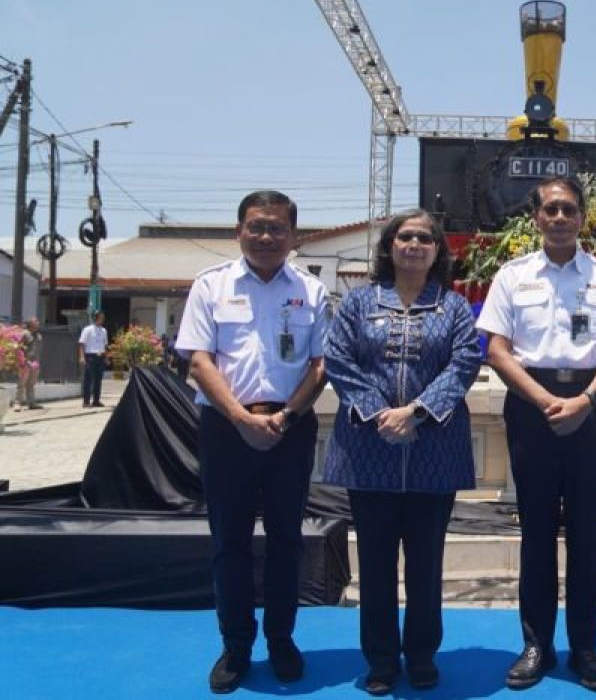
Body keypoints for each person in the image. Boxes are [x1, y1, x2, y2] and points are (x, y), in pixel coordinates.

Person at [476, 176, 596, 692]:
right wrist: (544, 399)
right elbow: (497, 349)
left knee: (587, 533)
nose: (561, 217)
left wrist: (587, 400)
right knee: (537, 533)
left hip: (590, 404)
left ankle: (586, 649)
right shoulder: (512, 275)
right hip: (533, 406)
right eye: (551, 209)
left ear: (583, 216)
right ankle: (536, 645)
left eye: (570, 208)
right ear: (536, 217)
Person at [174, 190, 329, 694]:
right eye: (256, 227)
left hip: (291, 427)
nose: (266, 237)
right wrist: (240, 416)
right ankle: (236, 645)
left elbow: (320, 365)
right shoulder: (210, 286)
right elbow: (199, 361)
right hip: (225, 429)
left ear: (293, 236)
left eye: (277, 228)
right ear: (238, 230)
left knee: (287, 540)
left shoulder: (311, 291)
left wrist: (284, 416)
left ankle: (281, 640)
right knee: (230, 542)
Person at [323, 210, 481, 696]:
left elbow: (465, 362)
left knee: (426, 563)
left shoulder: (453, 307)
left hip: (435, 451)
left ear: (438, 250)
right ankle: (381, 659)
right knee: (373, 563)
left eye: (424, 238)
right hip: (369, 451)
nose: (414, 244)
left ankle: (421, 655)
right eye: (404, 236)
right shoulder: (358, 304)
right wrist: (378, 413)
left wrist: (416, 411)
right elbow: (337, 359)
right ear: (389, 246)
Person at [78, 310, 108, 407]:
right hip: (90, 356)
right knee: (88, 379)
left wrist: (106, 357)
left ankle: (96, 400)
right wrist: (82, 356)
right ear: (95, 318)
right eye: (100, 317)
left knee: (98, 379)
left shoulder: (104, 330)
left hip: (101, 356)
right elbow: (82, 343)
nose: (102, 319)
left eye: (103, 317)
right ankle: (86, 401)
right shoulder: (88, 329)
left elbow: (105, 345)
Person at [16, 316, 43, 410]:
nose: (38, 322)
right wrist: (22, 360)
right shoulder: (25, 334)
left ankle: (31, 403)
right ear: (30, 323)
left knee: (31, 384)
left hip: (35, 363)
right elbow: (19, 347)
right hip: (25, 362)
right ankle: (17, 403)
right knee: (22, 383)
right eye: (36, 321)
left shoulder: (39, 335)